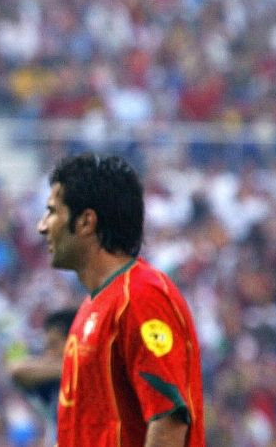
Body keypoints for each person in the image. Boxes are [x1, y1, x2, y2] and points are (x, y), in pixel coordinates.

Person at [36, 153, 204, 446]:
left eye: (51, 212)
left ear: (86, 221)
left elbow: (169, 420)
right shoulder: (93, 306)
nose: (42, 225)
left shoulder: (142, 295)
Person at [9, 308, 77, 446]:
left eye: (54, 344)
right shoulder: (54, 382)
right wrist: (71, 368)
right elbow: (17, 371)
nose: (49, 352)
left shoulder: (97, 375)